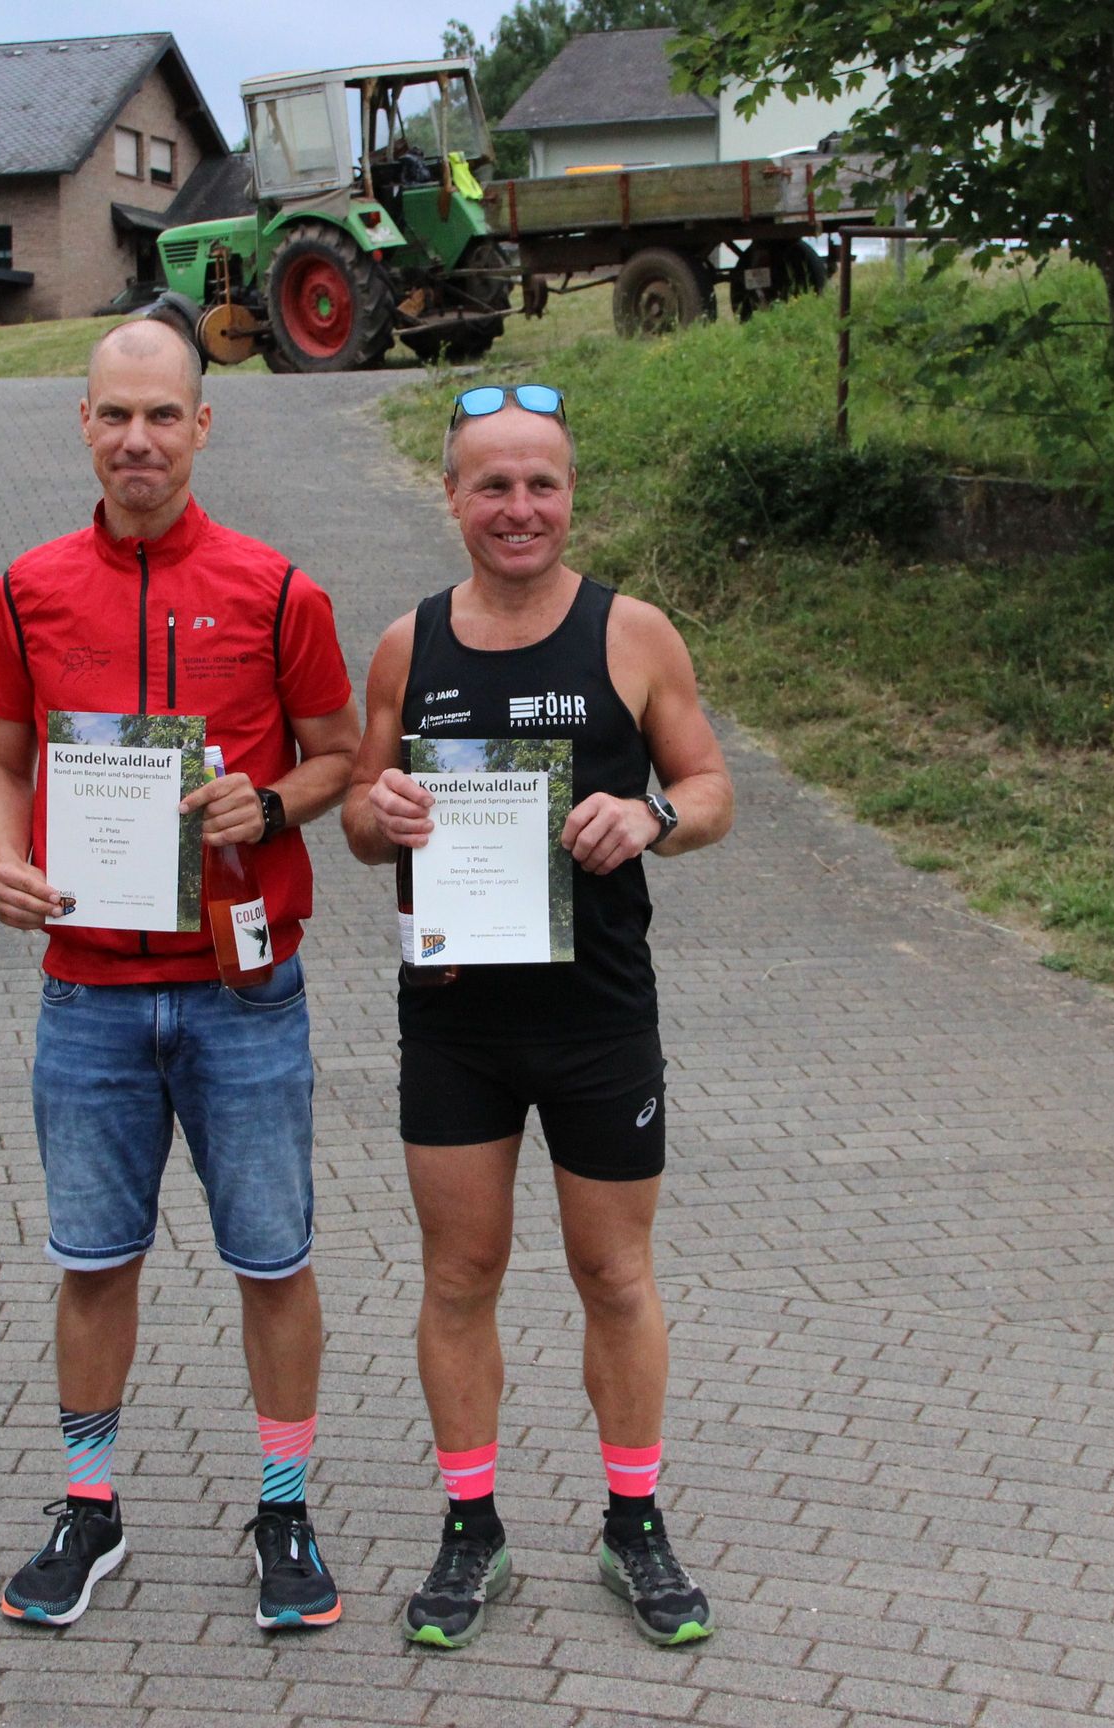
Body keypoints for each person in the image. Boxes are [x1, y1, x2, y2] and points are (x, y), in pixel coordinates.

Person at [0, 318, 361, 1632]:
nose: (139, 438)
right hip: (89, 992)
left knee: (272, 1260)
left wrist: (274, 802)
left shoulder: (281, 590)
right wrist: (3, 858)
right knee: (93, 1261)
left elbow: (339, 752)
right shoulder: (25, 589)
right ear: (83, 423)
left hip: (243, 989)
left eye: (163, 415)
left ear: (203, 425)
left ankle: (284, 1508)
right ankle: (89, 1507)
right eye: (116, 414)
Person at [343, 382, 736, 1649]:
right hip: (455, 1021)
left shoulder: (634, 634)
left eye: (542, 484)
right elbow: (358, 815)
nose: (519, 508)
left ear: (572, 495)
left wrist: (652, 815)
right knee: (460, 1274)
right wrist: (380, 814)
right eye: (493, 485)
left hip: (598, 1017)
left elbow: (711, 786)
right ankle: (472, 1529)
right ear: (452, 496)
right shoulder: (407, 645)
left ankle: (634, 1524)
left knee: (614, 1274)